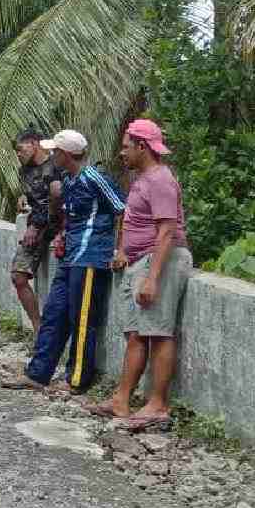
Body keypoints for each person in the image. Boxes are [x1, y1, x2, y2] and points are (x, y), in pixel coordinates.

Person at [3, 130, 126, 394]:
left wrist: (120, 249)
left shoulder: (94, 177)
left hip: (91, 256)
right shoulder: (68, 179)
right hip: (71, 256)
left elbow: (121, 209)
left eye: (55, 151)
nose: (51, 155)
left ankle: (77, 379)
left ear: (66, 154)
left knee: (81, 319)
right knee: (55, 313)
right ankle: (38, 373)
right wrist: (62, 232)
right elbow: (69, 214)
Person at [89, 119, 192, 430]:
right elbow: (135, 220)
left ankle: (158, 404)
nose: (122, 153)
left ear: (142, 146)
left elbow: (166, 230)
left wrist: (152, 277)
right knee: (135, 334)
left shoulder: (161, 179)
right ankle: (122, 399)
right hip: (139, 261)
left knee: (159, 333)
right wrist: (124, 251)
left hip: (159, 261)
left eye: (126, 147)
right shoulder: (143, 178)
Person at [11, 129, 64, 336]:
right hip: (36, 226)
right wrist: (23, 197)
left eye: (20, 149)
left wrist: (37, 225)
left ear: (33, 143)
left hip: (55, 226)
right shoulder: (25, 170)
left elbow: (56, 199)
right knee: (18, 276)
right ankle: (38, 327)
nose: (18, 154)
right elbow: (34, 196)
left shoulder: (55, 166)